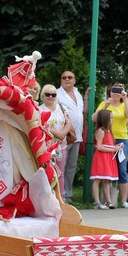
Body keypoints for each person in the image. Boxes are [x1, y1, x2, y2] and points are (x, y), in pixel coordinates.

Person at [92, 83, 128, 208]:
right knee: (107, 168)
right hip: (106, 139)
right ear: (109, 93)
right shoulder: (105, 103)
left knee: (122, 168)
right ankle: (107, 200)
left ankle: (124, 200)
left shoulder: (124, 103)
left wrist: (125, 98)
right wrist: (105, 105)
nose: (116, 93)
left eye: (118, 91)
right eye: (113, 91)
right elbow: (94, 118)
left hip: (121, 139)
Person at [56, 70, 83, 201]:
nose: (67, 79)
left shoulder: (78, 93)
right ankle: (59, 193)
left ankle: (68, 193)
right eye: (64, 77)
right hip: (63, 136)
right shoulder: (57, 93)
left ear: (74, 80)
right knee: (61, 165)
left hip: (76, 136)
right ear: (61, 80)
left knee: (71, 166)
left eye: (70, 77)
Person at [39, 83, 71, 196]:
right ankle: (47, 197)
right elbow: (40, 125)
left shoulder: (61, 108)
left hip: (60, 146)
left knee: (60, 173)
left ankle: (60, 197)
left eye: (53, 94)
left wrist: (63, 133)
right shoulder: (39, 110)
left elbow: (68, 122)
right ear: (42, 96)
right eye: (47, 94)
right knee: (47, 172)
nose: (50, 97)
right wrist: (57, 133)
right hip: (46, 147)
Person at [89, 108, 120, 209]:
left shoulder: (108, 131)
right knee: (97, 179)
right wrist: (113, 149)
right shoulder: (101, 131)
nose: (112, 120)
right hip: (101, 158)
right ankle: (97, 202)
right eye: (110, 118)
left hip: (108, 158)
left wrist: (116, 147)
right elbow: (99, 146)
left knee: (107, 180)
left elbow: (108, 145)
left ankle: (108, 201)